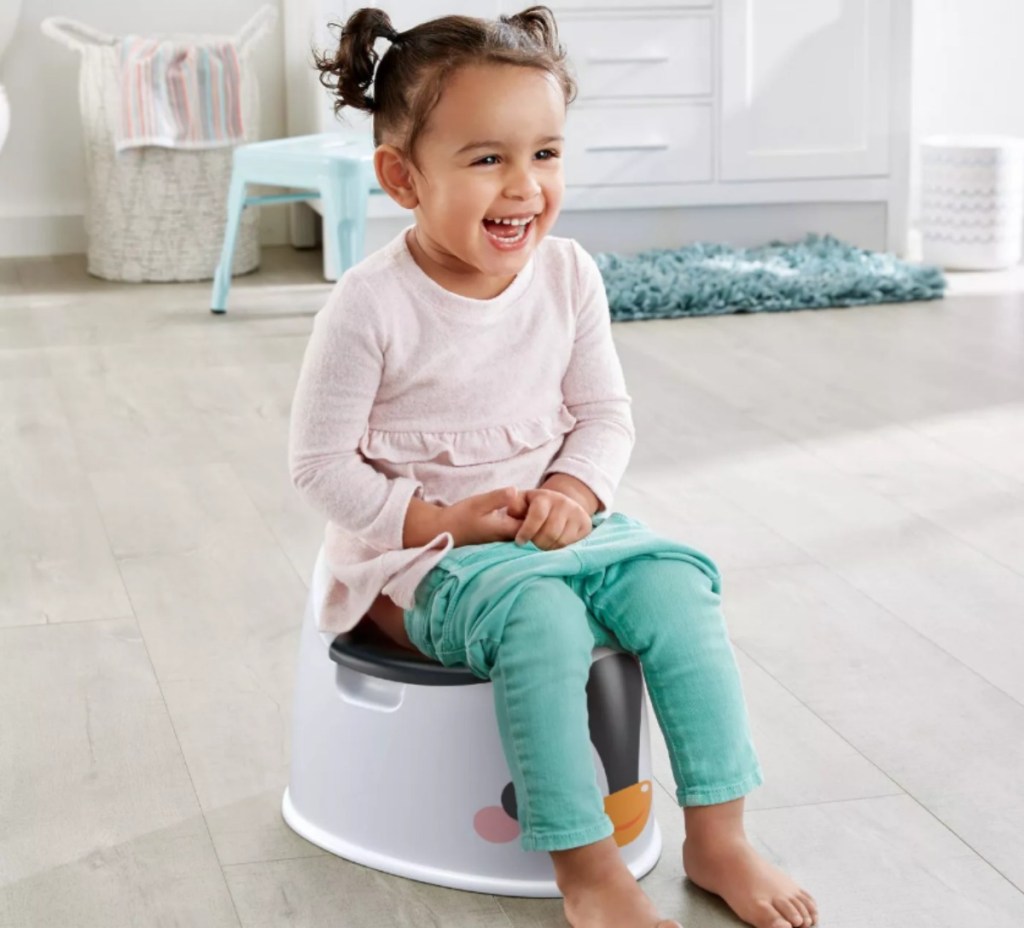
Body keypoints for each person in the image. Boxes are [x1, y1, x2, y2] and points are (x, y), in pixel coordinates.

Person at [290, 7, 819, 928]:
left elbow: (604, 417)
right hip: (425, 564)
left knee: (676, 588)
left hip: (557, 531)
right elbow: (320, 467)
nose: (525, 187)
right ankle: (587, 867)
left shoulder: (570, 275)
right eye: (487, 158)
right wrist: (433, 522)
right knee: (546, 619)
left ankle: (720, 833)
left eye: (546, 154)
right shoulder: (369, 306)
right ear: (402, 178)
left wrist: (574, 492)